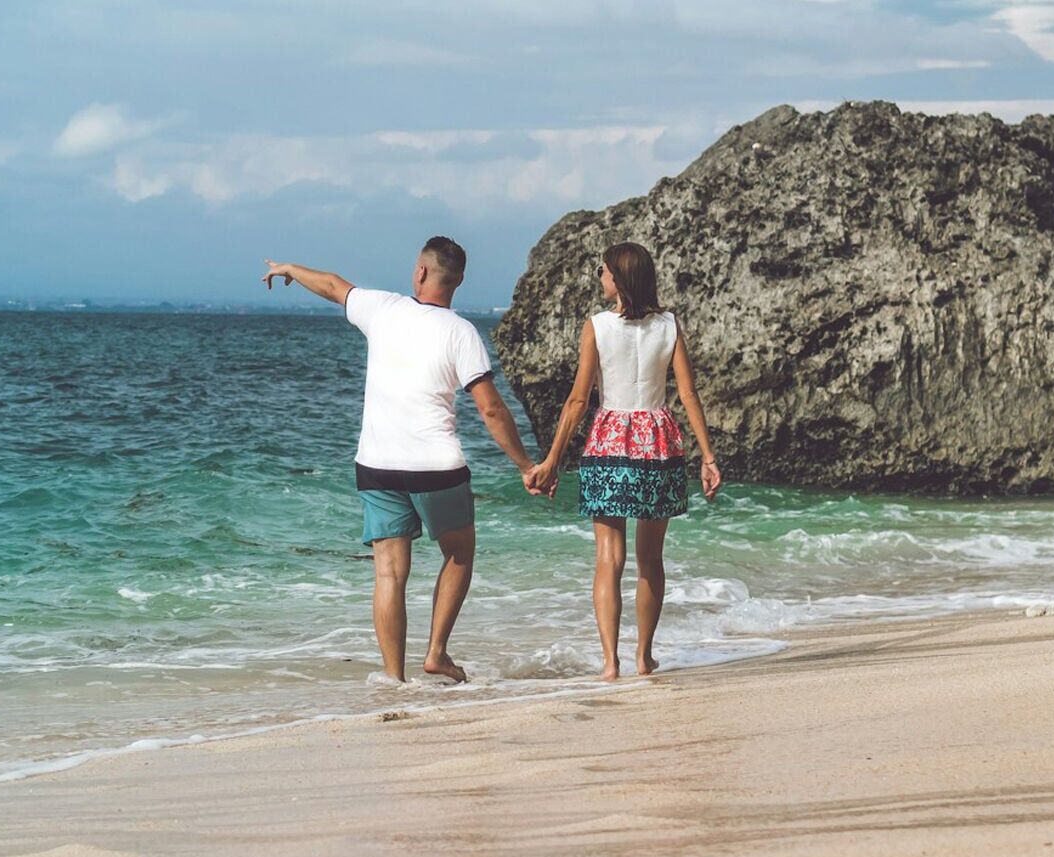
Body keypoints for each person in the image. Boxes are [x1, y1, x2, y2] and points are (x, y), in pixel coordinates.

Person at [263, 237, 539, 684]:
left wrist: (289, 268)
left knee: (389, 573)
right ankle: (436, 653)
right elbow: (490, 408)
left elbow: (332, 285)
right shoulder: (461, 332)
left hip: (377, 465)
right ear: (459, 281)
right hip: (436, 468)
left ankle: (394, 679)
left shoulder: (383, 309)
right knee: (459, 553)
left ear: (421, 272)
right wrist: (526, 465)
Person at [526, 242, 722, 681]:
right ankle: (643, 657)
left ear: (618, 277)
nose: (599, 276)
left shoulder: (596, 326)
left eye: (603, 270)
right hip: (657, 441)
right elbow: (688, 393)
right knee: (650, 559)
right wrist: (708, 457)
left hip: (609, 440)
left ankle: (610, 662)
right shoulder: (669, 325)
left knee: (608, 558)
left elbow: (578, 400)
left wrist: (552, 460)